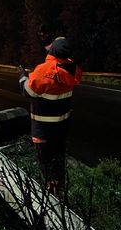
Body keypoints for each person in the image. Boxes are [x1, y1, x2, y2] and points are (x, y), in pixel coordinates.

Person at [19, 37, 82, 197]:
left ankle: (50, 196)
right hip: (61, 126)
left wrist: (22, 77)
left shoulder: (44, 70)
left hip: (43, 128)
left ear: (53, 51)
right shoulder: (73, 69)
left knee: (45, 162)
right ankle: (60, 190)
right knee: (59, 158)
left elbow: (28, 91)